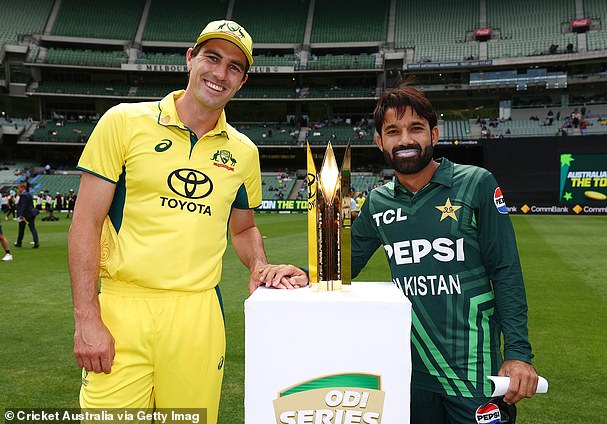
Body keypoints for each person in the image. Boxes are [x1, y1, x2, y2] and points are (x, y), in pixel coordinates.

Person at [68, 20, 307, 424]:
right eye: (212, 58)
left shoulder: (245, 153)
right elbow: (85, 223)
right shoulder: (123, 122)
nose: (220, 73)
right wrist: (87, 318)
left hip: (198, 314)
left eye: (234, 67)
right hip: (124, 307)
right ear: (190, 59)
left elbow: (244, 228)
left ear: (242, 81)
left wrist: (258, 264)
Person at [350, 85, 538, 424]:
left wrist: (518, 354)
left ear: (434, 135)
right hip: (409, 372)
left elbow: (505, 270)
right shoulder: (377, 202)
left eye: (416, 128)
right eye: (393, 131)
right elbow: (339, 265)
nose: (405, 139)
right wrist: (297, 273)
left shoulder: (476, 183)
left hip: (473, 371)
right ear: (380, 142)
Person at [14, 182, 39, 248]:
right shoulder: (29, 194)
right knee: (32, 229)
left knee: (21, 230)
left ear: (22, 188)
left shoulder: (23, 195)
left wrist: (21, 214)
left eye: (18, 188)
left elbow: (23, 206)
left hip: (25, 215)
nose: (18, 189)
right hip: (31, 214)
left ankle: (19, 243)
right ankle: (36, 242)